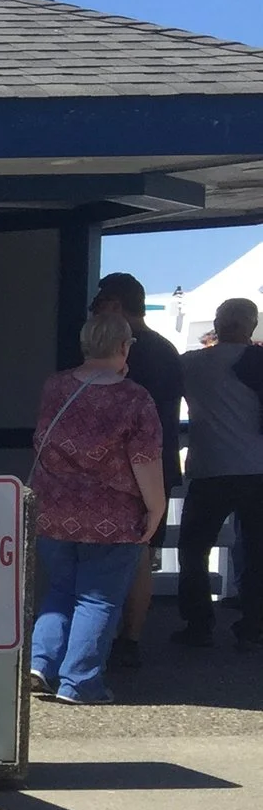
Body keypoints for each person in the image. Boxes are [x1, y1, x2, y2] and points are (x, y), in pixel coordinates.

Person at [16, 308, 166, 705]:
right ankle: (80, 682)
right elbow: (144, 459)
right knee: (97, 599)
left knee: (60, 591)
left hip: (54, 511)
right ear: (123, 346)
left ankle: (39, 663)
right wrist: (156, 507)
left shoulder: (56, 387)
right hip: (112, 517)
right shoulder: (134, 398)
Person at [88, 274, 180, 669]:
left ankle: (115, 639)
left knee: (121, 556)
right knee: (142, 553)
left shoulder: (130, 355)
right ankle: (131, 637)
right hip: (157, 466)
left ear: (115, 305)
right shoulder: (167, 350)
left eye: (99, 304)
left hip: (121, 471)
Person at [174, 296, 263, 651]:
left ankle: (198, 625)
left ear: (218, 322)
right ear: (251, 326)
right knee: (258, 551)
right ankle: (254, 625)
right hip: (258, 471)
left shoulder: (191, 364)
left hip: (210, 470)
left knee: (193, 550)